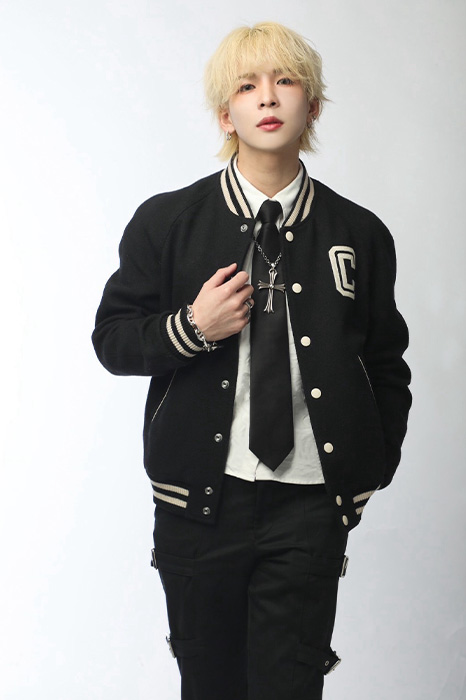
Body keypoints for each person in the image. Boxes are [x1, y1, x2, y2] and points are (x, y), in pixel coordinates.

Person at [92, 21, 412, 700]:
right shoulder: (167, 221)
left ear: (312, 106)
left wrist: (368, 470)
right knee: (209, 685)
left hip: (310, 504)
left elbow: (387, 362)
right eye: (246, 86)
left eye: (285, 81)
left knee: (289, 688)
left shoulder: (360, 233)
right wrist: (192, 327)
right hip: (198, 504)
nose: (267, 97)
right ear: (225, 114)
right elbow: (113, 340)